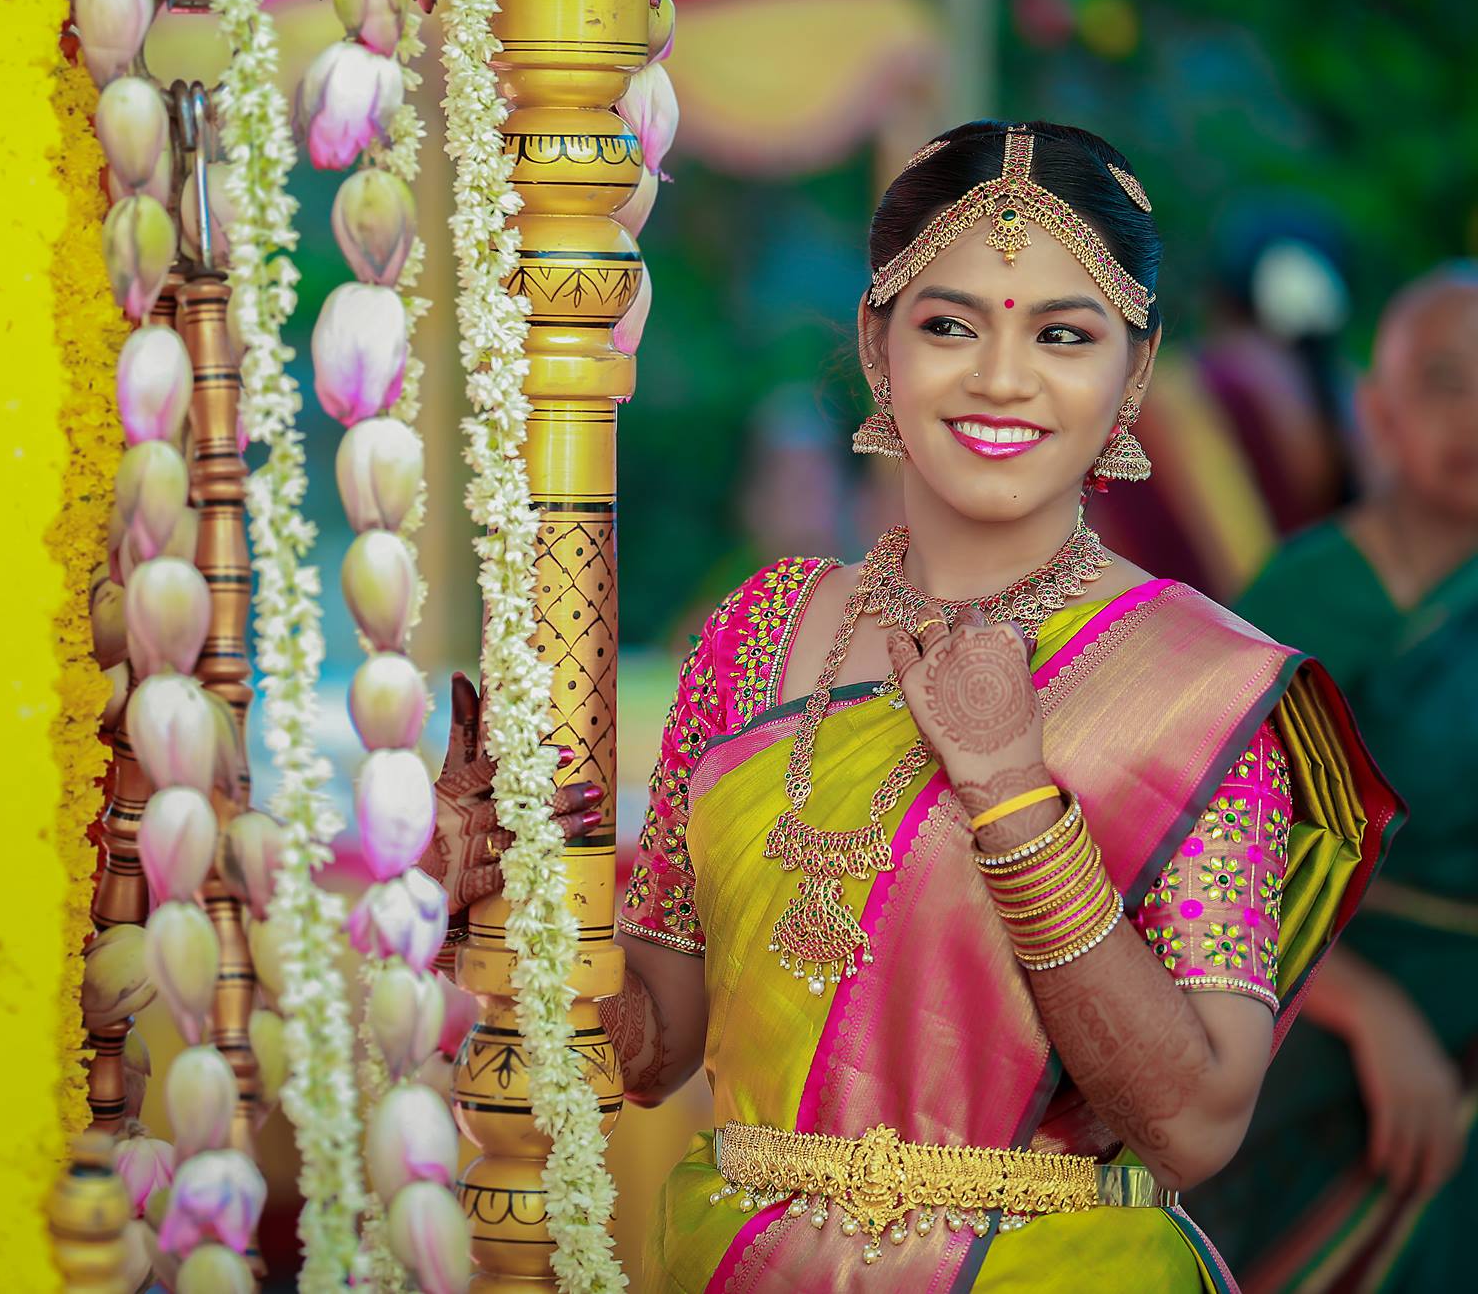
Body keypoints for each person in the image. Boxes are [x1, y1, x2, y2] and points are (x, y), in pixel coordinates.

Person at [423, 120, 1398, 1292]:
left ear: (1130, 373)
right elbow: (653, 1047)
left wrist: (1010, 792)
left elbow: (1191, 1126)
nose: (999, 377)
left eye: (1061, 334)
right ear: (875, 348)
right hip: (740, 1264)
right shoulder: (758, 633)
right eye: (948, 325)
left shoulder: (1197, 687)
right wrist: (502, 911)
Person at [1190, 268, 1478, 1291]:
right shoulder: (1296, 592)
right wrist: (1366, 1012)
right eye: (1444, 382)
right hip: (1298, 989)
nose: (1471, 418)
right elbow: (1202, 854)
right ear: (1375, 410)